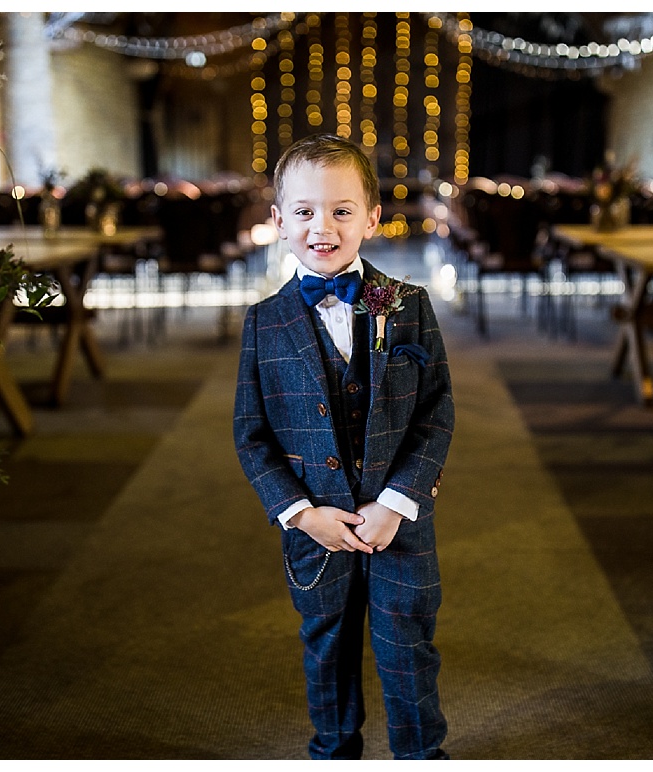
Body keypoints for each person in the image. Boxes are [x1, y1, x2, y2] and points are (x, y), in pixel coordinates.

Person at [234, 134, 456, 759]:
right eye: (303, 211)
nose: (322, 227)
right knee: (326, 646)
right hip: (316, 527)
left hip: (400, 524)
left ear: (372, 218)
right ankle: (333, 752)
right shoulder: (264, 322)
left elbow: (437, 410)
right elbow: (250, 436)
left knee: (408, 647)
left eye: (341, 210)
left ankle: (420, 753)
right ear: (278, 221)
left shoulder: (405, 305)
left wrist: (399, 499)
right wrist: (301, 513)